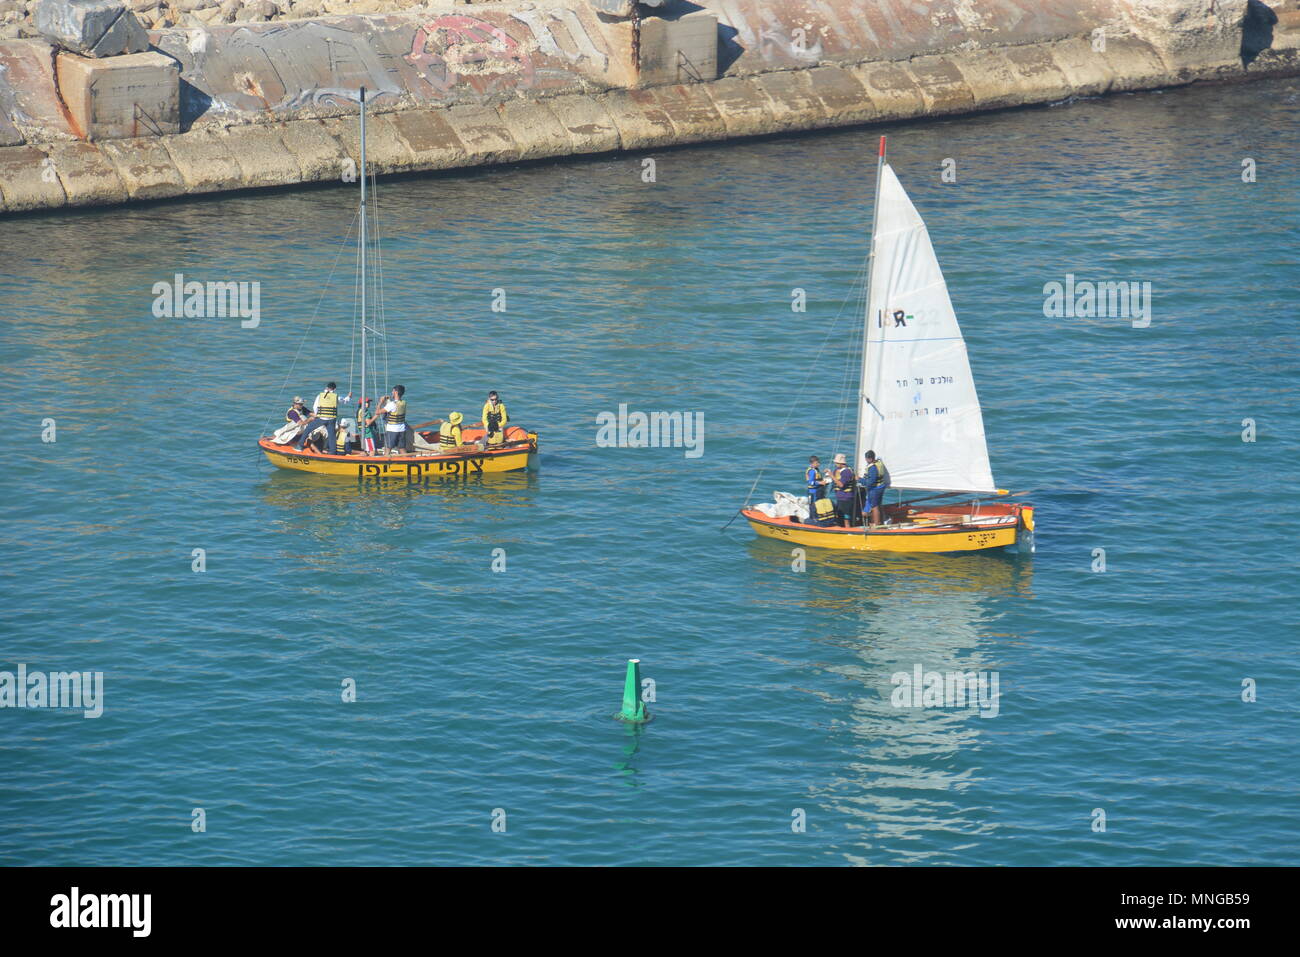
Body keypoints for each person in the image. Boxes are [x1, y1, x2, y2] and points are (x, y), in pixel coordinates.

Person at [295, 381, 346, 455]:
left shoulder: (320, 396)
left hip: (322, 418)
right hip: (331, 419)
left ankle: (300, 445)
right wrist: (348, 397)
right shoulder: (336, 396)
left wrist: (317, 415)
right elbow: (344, 401)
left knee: (309, 428)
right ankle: (332, 453)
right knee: (332, 436)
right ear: (334, 389)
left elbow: (315, 407)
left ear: (326, 388)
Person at [366, 385, 409, 455]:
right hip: (401, 429)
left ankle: (385, 461)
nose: (391, 393)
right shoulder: (403, 403)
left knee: (388, 449)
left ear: (396, 392)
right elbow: (395, 408)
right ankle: (407, 461)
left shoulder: (392, 404)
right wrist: (388, 401)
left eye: (393, 391)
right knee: (402, 448)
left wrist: (381, 402)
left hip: (392, 430)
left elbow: (377, 412)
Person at [860, 450, 891, 527]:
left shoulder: (872, 468)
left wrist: (859, 479)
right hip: (881, 486)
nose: (866, 460)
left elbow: (870, 482)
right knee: (878, 504)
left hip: (875, 489)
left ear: (870, 459)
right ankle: (882, 521)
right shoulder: (879, 462)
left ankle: (877, 525)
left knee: (874, 507)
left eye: (866, 459)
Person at [830, 453, 858, 527]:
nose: (835, 464)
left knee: (846, 517)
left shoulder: (847, 472)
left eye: (836, 463)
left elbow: (841, 484)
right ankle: (842, 528)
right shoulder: (839, 470)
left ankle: (848, 530)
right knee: (840, 516)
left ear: (841, 463)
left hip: (846, 498)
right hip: (840, 497)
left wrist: (832, 476)